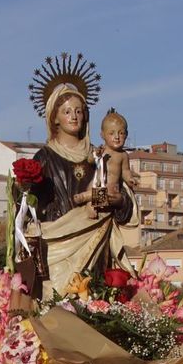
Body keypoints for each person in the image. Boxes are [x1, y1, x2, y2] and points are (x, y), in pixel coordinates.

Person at [25, 54, 134, 299]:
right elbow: (29, 210)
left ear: (86, 115)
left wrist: (116, 200)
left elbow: (124, 201)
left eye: (78, 111)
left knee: (93, 302)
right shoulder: (43, 158)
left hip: (96, 243)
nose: (74, 116)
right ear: (54, 117)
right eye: (66, 112)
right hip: (58, 243)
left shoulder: (101, 156)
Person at [77, 108, 136, 219]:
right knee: (95, 189)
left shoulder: (123, 155)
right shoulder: (102, 150)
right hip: (98, 182)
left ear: (126, 135)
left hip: (112, 186)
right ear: (102, 135)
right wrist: (96, 154)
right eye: (111, 133)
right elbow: (90, 160)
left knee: (109, 195)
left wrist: (130, 179)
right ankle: (88, 201)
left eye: (121, 133)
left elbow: (125, 171)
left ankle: (86, 198)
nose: (117, 137)